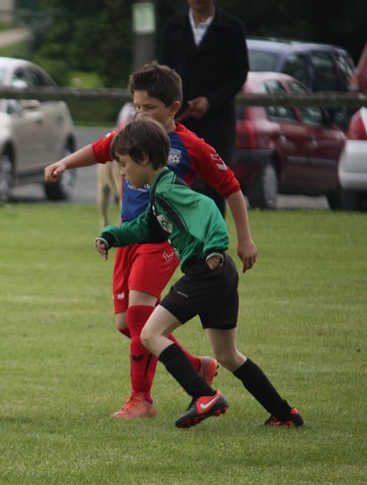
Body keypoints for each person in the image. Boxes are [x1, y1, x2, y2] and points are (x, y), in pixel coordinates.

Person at [45, 62, 255, 419]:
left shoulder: (190, 145)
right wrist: (63, 164)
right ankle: (195, 366)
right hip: (129, 236)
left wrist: (245, 239)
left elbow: (230, 186)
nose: (141, 113)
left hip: (163, 240)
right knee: (127, 324)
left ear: (173, 108)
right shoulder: (131, 137)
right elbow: (99, 150)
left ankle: (141, 399)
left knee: (141, 314)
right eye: (137, 106)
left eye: (149, 107)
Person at [95, 117, 302, 428]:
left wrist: (216, 247)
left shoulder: (168, 190)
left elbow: (207, 208)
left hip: (206, 270)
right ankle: (284, 414)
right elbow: (146, 228)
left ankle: (204, 395)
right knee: (228, 355)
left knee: (150, 334)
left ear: (143, 158)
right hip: (220, 273)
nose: (122, 173)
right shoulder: (160, 193)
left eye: (124, 164)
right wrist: (111, 235)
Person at [160, 0, 249, 216]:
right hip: (180, 120)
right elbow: (164, 73)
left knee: (215, 187)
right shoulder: (172, 26)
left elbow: (239, 73)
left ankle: (214, 236)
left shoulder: (233, 28)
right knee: (176, 181)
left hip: (217, 122)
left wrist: (211, 101)